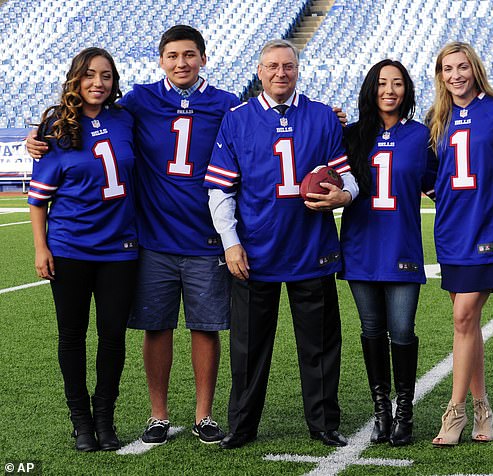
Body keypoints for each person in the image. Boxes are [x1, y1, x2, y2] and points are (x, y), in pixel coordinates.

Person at [27, 25, 241, 446]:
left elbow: (263, 123)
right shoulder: (139, 100)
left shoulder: (225, 103)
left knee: (204, 327)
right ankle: (154, 416)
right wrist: (38, 138)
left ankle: (203, 415)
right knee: (154, 327)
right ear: (160, 60)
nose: (181, 63)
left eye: (189, 55)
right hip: (150, 238)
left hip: (202, 238)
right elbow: (73, 126)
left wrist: (333, 118)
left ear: (203, 58)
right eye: (173, 56)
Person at [205, 39, 358, 449]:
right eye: (272, 66)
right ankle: (242, 425)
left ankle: (324, 423)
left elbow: (345, 175)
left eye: (288, 66)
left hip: (312, 248)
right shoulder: (236, 119)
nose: (280, 73)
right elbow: (221, 190)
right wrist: (230, 242)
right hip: (256, 251)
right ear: (259, 72)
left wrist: (346, 196)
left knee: (321, 346)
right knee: (249, 348)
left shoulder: (323, 116)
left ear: (297, 70)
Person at [27, 48, 138, 452]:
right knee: (71, 334)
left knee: (112, 336)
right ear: (76, 78)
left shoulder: (127, 117)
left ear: (114, 82)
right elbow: (38, 200)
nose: (98, 83)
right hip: (70, 246)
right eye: (90, 75)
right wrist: (41, 249)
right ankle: (81, 423)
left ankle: (105, 419)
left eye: (106, 76)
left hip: (120, 248)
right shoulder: (57, 125)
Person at [339, 59, 435, 446]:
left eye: (397, 83)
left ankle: (405, 413)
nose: (389, 90)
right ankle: (382, 411)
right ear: (370, 89)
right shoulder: (350, 136)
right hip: (361, 245)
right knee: (371, 330)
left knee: (403, 330)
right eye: (382, 83)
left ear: (407, 90)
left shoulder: (421, 136)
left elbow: (441, 185)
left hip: (402, 245)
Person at [424, 42, 493, 446]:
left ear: (475, 70)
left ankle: (454, 412)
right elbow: (428, 177)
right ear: (440, 75)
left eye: (462, 67)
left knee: (462, 318)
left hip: (489, 230)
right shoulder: (436, 118)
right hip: (451, 232)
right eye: (448, 68)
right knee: (468, 324)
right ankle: (483, 409)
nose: (456, 75)